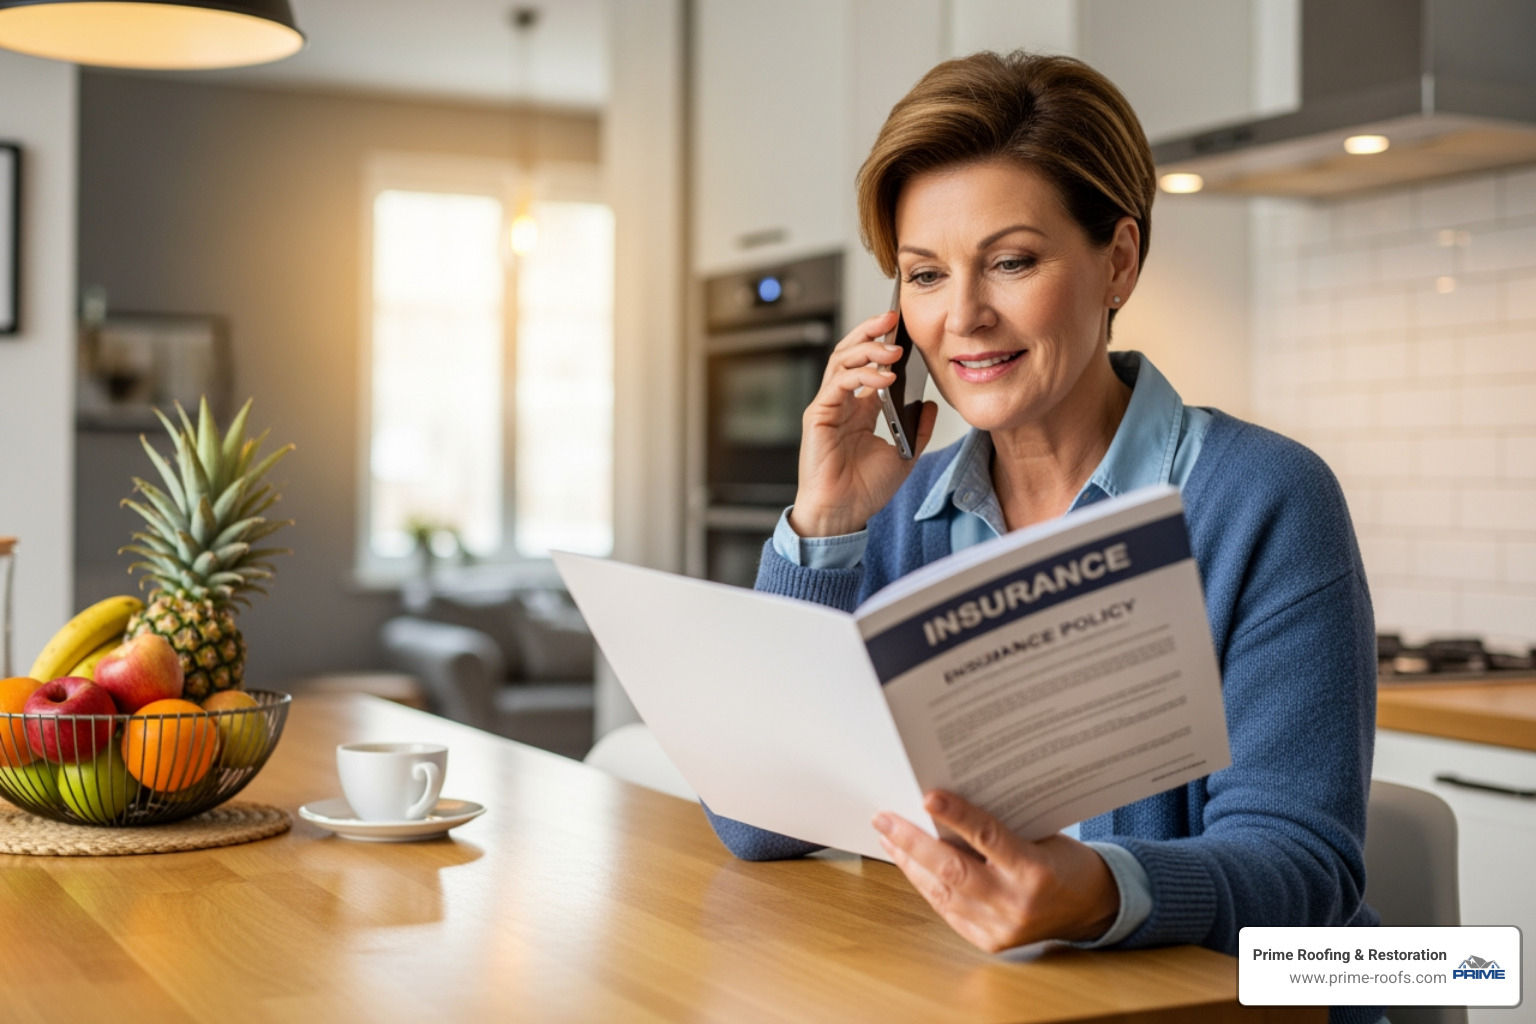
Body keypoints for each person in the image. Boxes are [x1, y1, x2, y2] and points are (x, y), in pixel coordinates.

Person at [702, 51, 1381, 1024]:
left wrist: (1098, 890)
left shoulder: (1263, 496)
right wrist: (826, 525)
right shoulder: (899, 504)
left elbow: (1304, 877)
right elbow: (752, 822)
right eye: (925, 275)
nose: (964, 315)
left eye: (1011, 260)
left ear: (1118, 260)